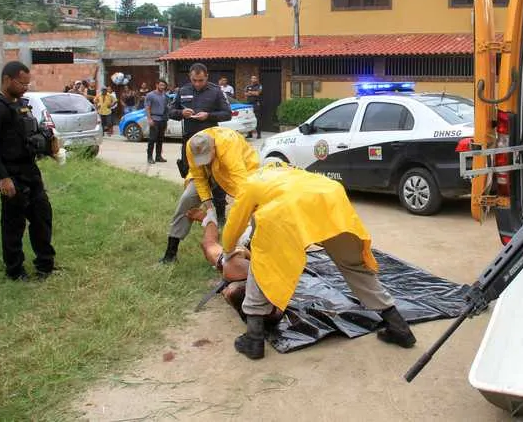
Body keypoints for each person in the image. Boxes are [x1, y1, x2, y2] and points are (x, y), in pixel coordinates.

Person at [186, 127, 416, 359]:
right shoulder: (289, 172)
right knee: (354, 266)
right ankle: (399, 326)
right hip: (331, 201)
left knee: (263, 266)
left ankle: (254, 339)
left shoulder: (249, 184)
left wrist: (228, 251)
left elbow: (234, 226)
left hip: (288, 213)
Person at [0, 61, 59, 281]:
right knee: (14, 224)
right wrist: (3, 177)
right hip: (10, 173)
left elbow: (26, 137)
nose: (26, 87)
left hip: (29, 170)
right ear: (7, 80)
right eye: (22, 83)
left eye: (27, 83)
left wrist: (46, 146)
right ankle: (15, 270)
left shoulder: (21, 105)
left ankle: (45, 264)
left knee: (42, 216)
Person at [160, 63, 232, 263]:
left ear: (207, 77)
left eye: (201, 80)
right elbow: (171, 111)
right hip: (191, 150)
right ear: (190, 78)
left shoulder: (216, 93)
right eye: (194, 80)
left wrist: (209, 116)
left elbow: (227, 113)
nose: (198, 84)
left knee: (219, 197)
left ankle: (222, 231)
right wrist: (180, 114)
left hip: (214, 151)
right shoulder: (182, 91)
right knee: (190, 195)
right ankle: (171, 253)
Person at [159, 126, 260, 265]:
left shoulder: (228, 145)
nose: (204, 161)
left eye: (207, 156)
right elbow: (199, 178)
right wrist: (209, 210)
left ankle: (253, 248)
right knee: (187, 199)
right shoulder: (192, 145)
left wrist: (243, 220)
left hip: (244, 172)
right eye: (201, 158)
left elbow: (241, 185)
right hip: (212, 171)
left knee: (255, 207)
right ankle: (170, 253)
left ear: (213, 146)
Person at [144, 80, 169, 165]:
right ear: (157, 85)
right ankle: (149, 157)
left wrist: (166, 120)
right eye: (161, 85)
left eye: (164, 86)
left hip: (163, 119)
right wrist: (149, 119)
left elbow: (166, 108)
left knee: (160, 139)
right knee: (152, 139)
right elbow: (147, 108)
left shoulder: (165, 96)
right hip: (154, 119)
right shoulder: (150, 95)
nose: (162, 87)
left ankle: (158, 156)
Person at [244, 75, 263, 139]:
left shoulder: (259, 86)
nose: (254, 79)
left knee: (257, 119)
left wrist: (250, 92)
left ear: (256, 79)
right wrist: (253, 93)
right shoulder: (248, 86)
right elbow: (245, 94)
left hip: (256, 104)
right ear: (251, 79)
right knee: (249, 119)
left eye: (255, 78)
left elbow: (258, 93)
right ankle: (250, 134)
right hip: (249, 105)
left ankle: (259, 134)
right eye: (252, 78)